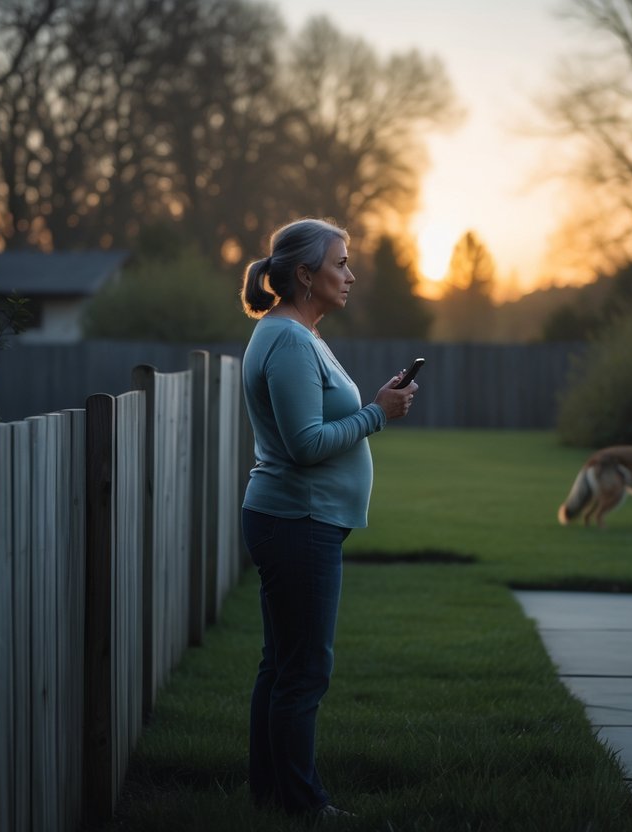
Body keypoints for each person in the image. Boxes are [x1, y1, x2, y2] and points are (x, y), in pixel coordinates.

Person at [238, 217, 418, 818]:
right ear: (305, 274)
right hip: (298, 521)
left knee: (282, 663)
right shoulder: (288, 339)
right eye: (340, 263)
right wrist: (377, 412)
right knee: (305, 670)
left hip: (296, 520)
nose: (351, 274)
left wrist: (374, 402)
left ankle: (269, 793)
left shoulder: (298, 334)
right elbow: (305, 444)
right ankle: (302, 804)